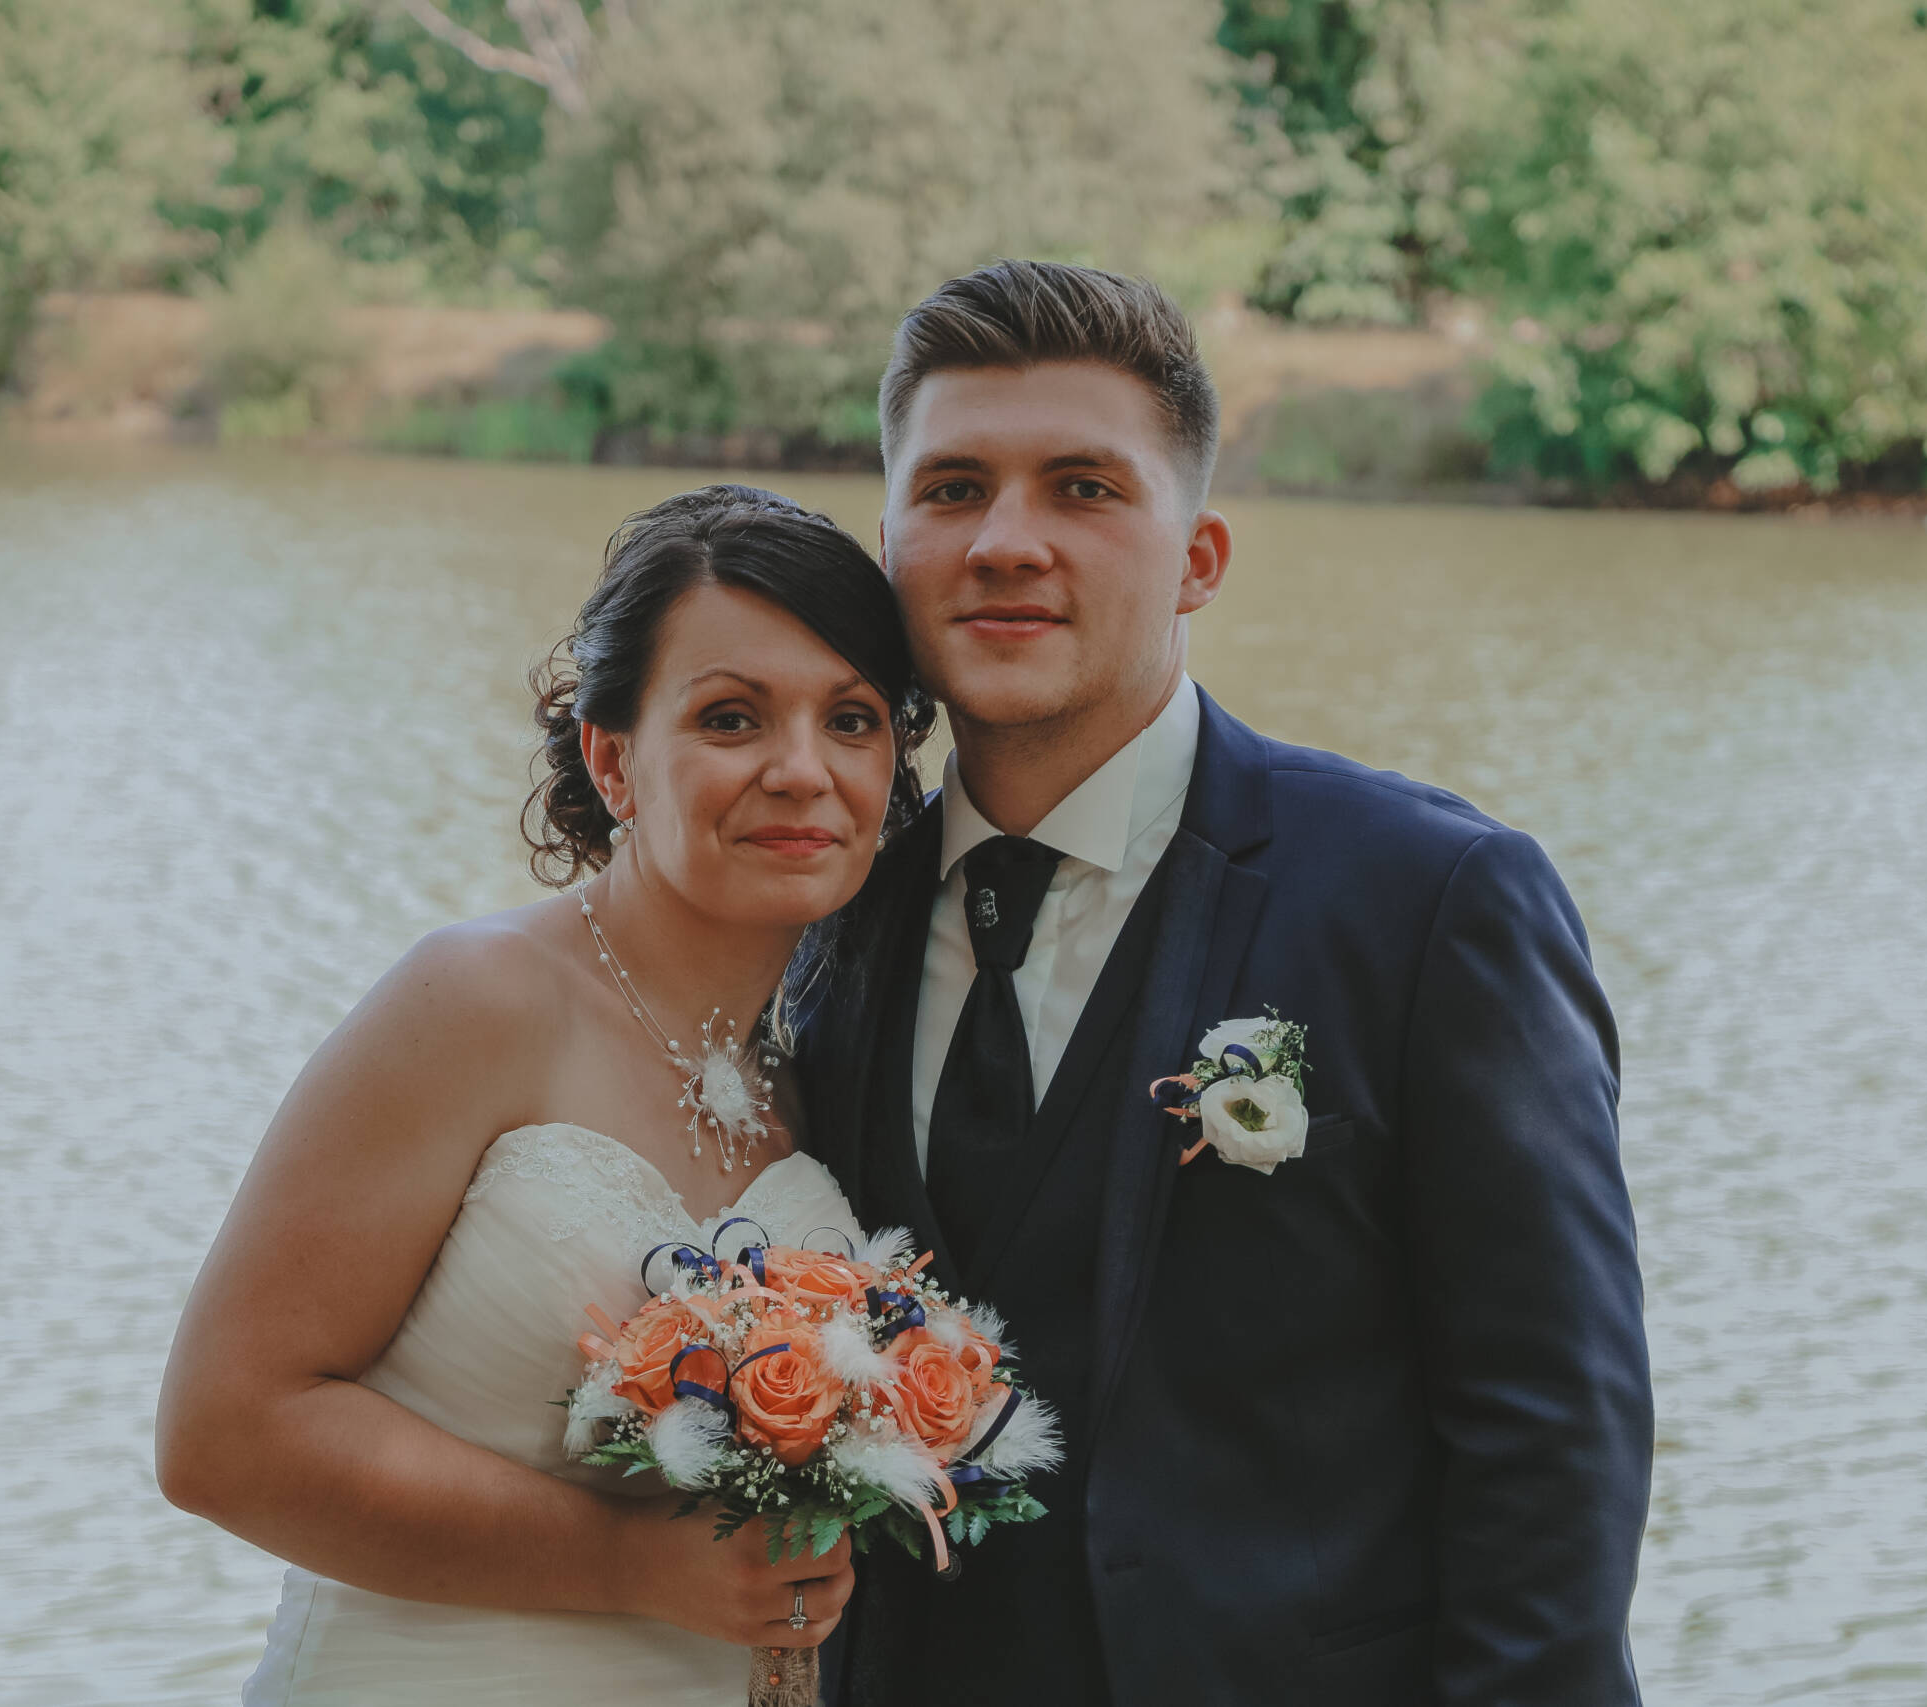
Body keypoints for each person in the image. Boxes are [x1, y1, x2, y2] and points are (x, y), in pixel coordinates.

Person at [800, 261, 1653, 1705]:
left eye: (1083, 487)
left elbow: (1552, 1434)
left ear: (1199, 556)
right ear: (888, 540)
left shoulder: (1431, 899)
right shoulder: (821, 901)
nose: (1007, 540)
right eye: (951, 490)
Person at [156, 486, 932, 1705]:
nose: (803, 770)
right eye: (732, 718)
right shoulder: (477, 1002)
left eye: (853, 720)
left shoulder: (817, 1060)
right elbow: (224, 1436)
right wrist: (626, 1565)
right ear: (612, 759)